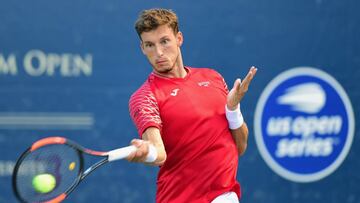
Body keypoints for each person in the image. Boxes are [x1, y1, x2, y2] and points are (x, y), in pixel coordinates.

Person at [126, 8, 257, 203]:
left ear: (179, 38)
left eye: (164, 41)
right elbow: (159, 154)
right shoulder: (145, 97)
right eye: (150, 45)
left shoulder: (213, 78)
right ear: (142, 48)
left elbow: (240, 146)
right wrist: (147, 152)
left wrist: (232, 109)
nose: (159, 52)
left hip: (224, 196)